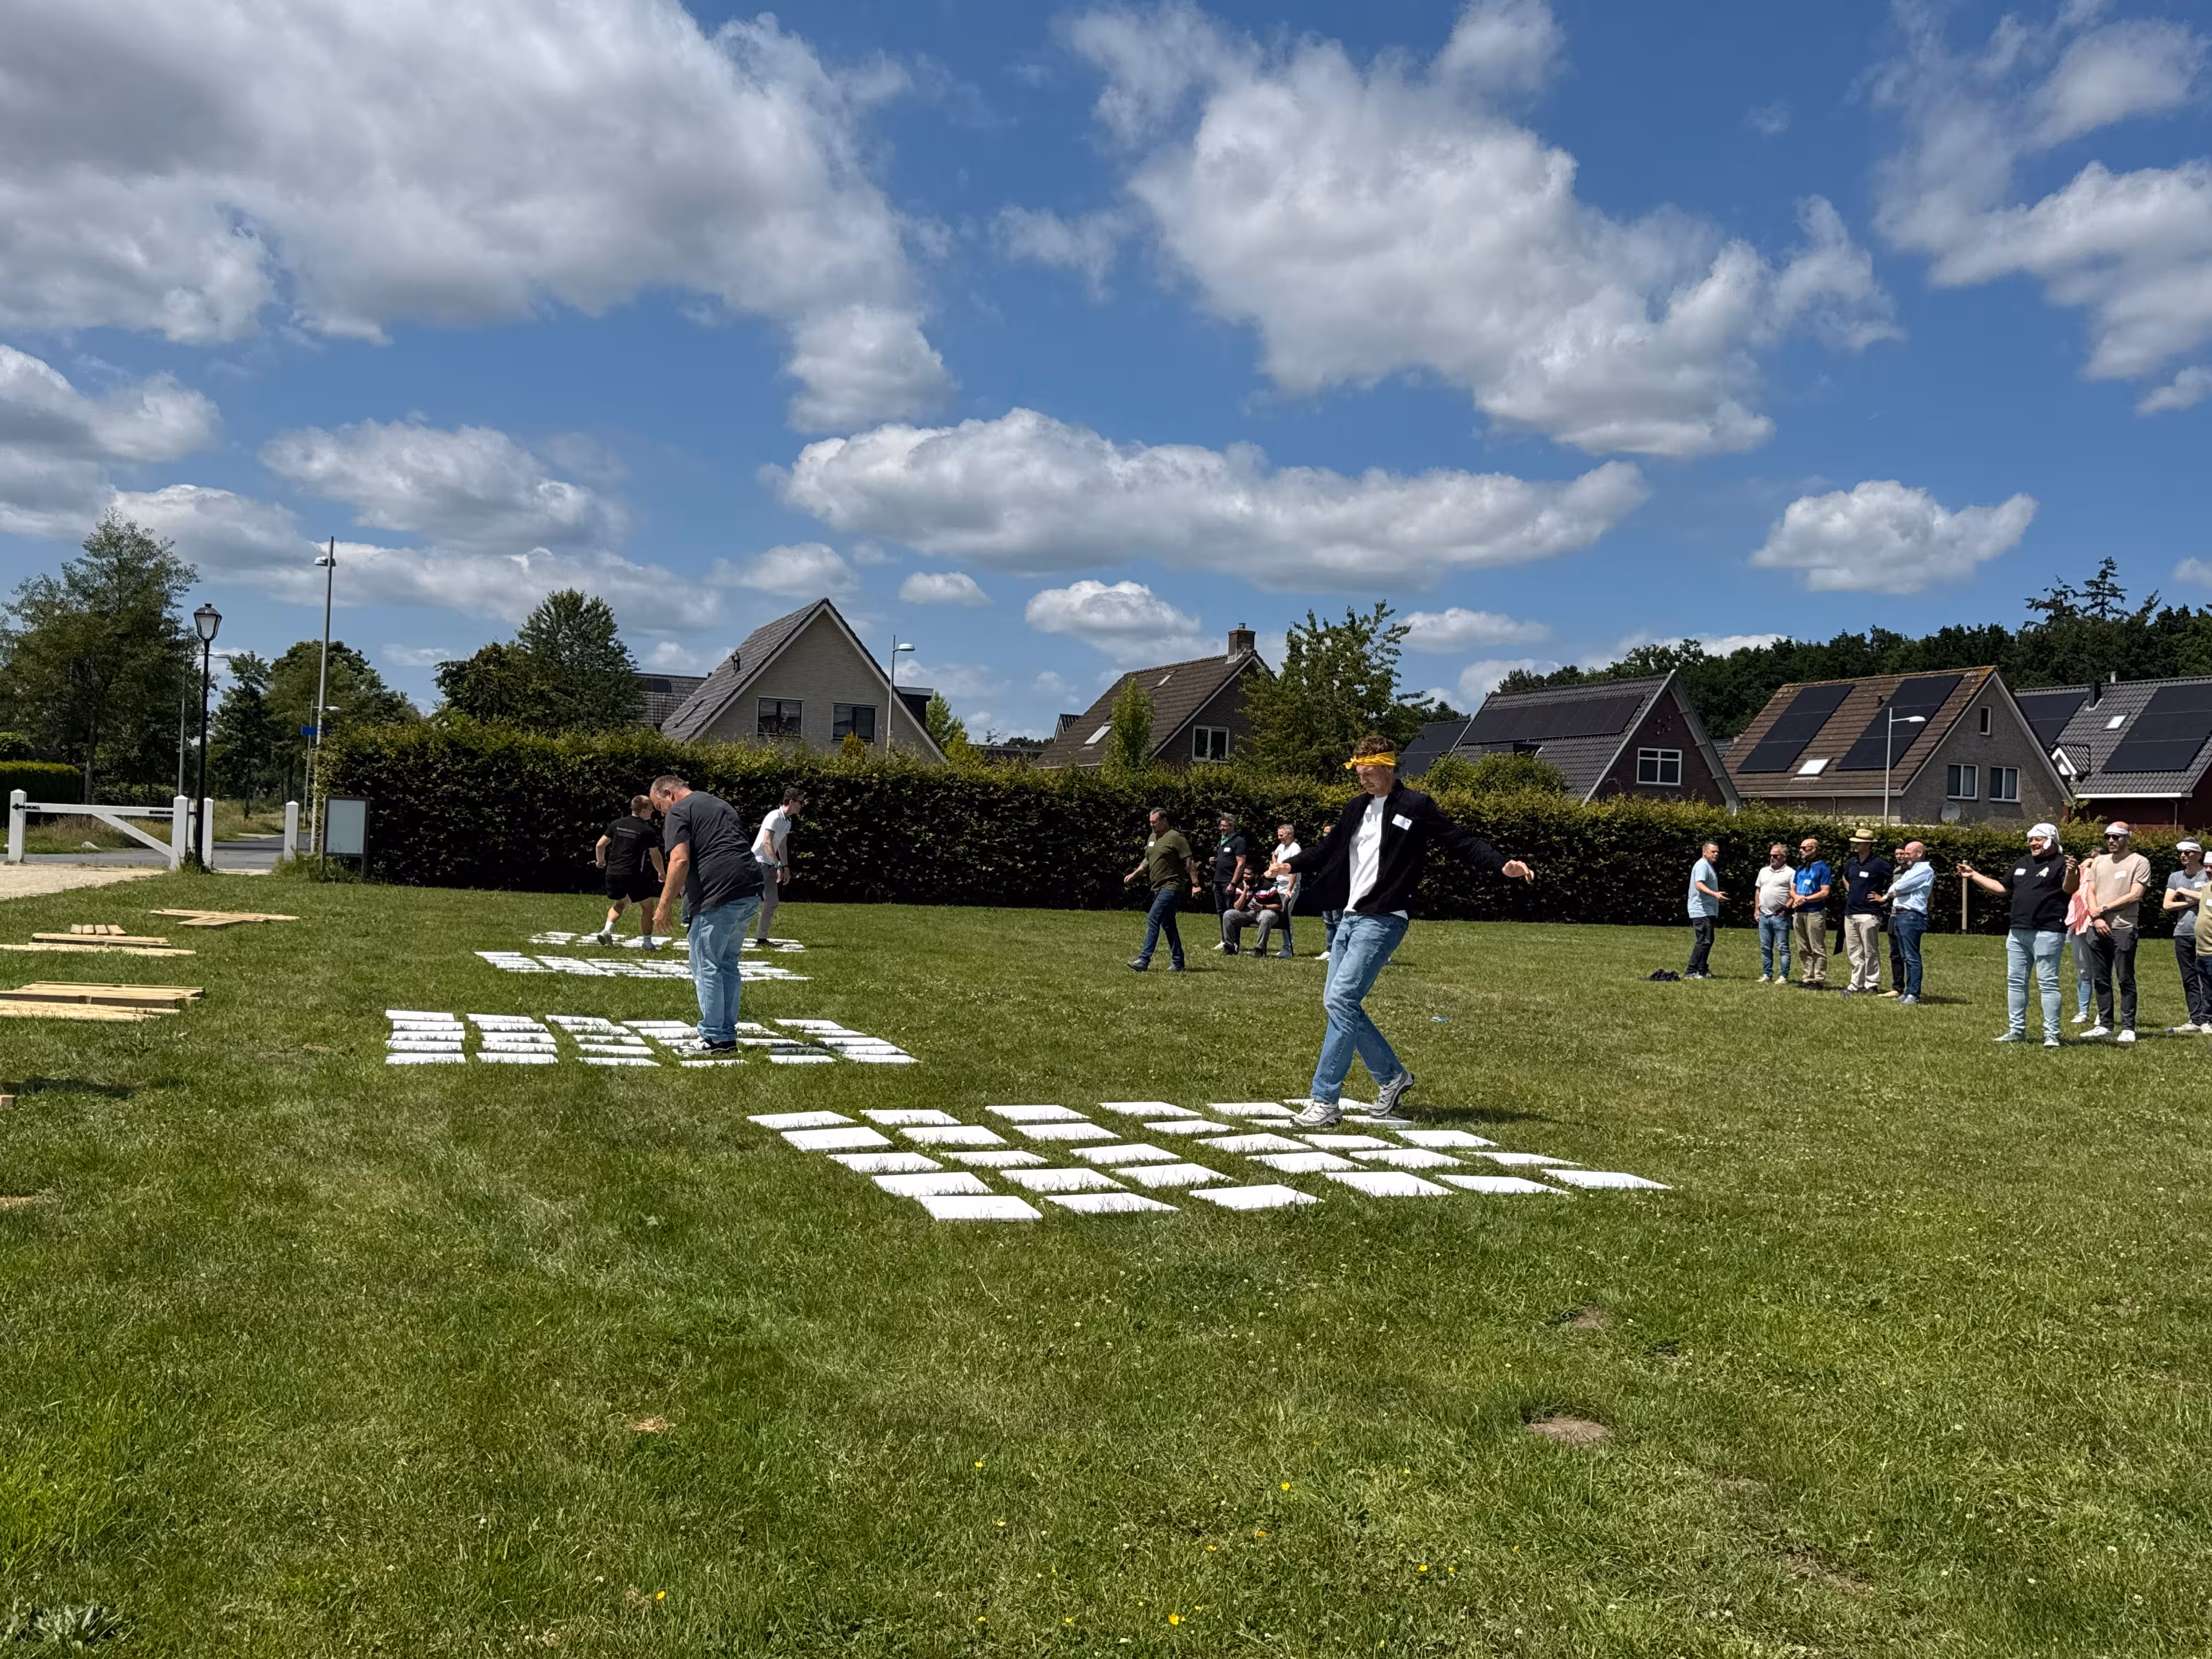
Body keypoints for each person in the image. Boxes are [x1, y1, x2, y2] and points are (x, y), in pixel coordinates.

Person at [1271, 732, 1533, 1127]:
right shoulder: (1355, 808)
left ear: (1389, 767)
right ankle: (1393, 1078)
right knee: (1338, 1004)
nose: (1363, 779)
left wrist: (1500, 865)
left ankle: (1325, 1101)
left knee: (1341, 1001)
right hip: (1350, 916)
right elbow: (1326, 851)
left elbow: (1461, 841)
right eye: (1358, 771)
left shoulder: (1416, 806)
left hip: (1385, 918)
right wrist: (1290, 866)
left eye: (1370, 771)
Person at [650, 774, 765, 1056]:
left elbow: (679, 859)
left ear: (669, 795)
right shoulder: (719, 804)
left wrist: (664, 905)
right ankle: (725, 1036)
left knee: (706, 965)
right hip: (749, 887)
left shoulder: (678, 811)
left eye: (659, 807)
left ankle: (713, 1037)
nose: (661, 814)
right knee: (727, 964)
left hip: (717, 894)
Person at [1959, 823, 2079, 1048]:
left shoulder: (2063, 864)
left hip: (2048, 931)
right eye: (2031, 839)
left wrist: (2073, 872)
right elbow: (2003, 889)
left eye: (2039, 839)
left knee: (2048, 984)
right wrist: (1974, 875)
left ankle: (2051, 1035)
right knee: (2015, 982)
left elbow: (2070, 889)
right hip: (2017, 931)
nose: (2033, 843)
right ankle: (2017, 1030)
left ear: (2052, 840)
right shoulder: (2022, 863)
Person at [2080, 821, 2151, 1042]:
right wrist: (2097, 916)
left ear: (2127, 838)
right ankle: (2105, 1024)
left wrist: (2103, 909)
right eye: (2108, 837)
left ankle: (2128, 1027)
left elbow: (2135, 895)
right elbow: (2090, 891)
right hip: (2096, 926)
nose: (2111, 840)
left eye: (2117, 837)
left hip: (2123, 928)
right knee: (2100, 978)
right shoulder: (2099, 862)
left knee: (2125, 978)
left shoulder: (2139, 862)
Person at [1123, 808, 1202, 972]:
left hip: (1172, 887)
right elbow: (1147, 860)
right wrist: (1134, 874)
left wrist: (1196, 885)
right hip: (1157, 888)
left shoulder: (1176, 838)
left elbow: (1189, 863)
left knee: (1153, 917)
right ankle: (1179, 962)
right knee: (1168, 924)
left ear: (1165, 821)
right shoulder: (1152, 837)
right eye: (1151, 823)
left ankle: (1144, 960)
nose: (1152, 826)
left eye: (1155, 823)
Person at [592, 794, 666, 945]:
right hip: (632, 874)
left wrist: (601, 861)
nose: (653, 812)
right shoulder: (647, 830)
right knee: (648, 905)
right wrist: (661, 872)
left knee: (621, 903)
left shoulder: (616, 824)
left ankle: (607, 930)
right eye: (651, 809)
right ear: (644, 810)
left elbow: (600, 845)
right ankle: (647, 943)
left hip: (613, 872)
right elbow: (655, 855)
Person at [2163, 839, 2210, 1034]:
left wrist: (2184, 894)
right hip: (2182, 932)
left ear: (2199, 855)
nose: (2184, 855)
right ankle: (2196, 1018)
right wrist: (2192, 900)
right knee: (2189, 978)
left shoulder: (2207, 874)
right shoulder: (2175, 877)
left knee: (2207, 978)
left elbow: (2207, 897)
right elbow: (2167, 905)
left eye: (2189, 852)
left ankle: (2208, 1018)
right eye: (2181, 852)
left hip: (2205, 935)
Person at [750, 786, 806, 946]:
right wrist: (778, 865)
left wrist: (786, 867)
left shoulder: (787, 821)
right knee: (748, 902)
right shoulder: (774, 817)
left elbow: (782, 845)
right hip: (758, 864)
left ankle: (761, 939)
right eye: (801, 802)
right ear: (792, 802)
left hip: (769, 864)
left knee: (772, 902)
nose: (802, 806)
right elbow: (767, 843)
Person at [1838, 830, 1891, 996]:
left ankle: (1872, 984)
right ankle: (1856, 984)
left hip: (1870, 913)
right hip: (1851, 912)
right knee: (1854, 951)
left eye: (1859, 842)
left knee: (1870, 950)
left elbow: (1897, 880)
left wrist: (1884, 897)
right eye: (1854, 842)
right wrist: (1850, 889)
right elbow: (1845, 877)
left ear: (1868, 845)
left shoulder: (1879, 864)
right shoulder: (1852, 862)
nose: (1855, 845)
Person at [1885, 840, 1934, 1005]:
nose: (1905, 857)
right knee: (1905, 956)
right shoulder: (1912, 870)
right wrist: (1894, 889)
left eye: (1908, 853)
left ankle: (1914, 994)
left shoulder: (1925, 870)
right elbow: (1897, 886)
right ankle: (1908, 991)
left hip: (1911, 916)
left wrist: (1894, 890)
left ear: (1919, 853)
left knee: (1912, 957)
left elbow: (1900, 887)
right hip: (1901, 915)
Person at [1788, 837, 1832, 988]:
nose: (1801, 851)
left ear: (1813, 849)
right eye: (1801, 848)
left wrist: (1806, 899)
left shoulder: (1823, 868)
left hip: (1815, 912)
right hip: (1799, 912)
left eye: (1805, 848)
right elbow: (1792, 889)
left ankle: (1818, 978)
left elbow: (1825, 892)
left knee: (1816, 946)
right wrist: (1796, 897)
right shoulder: (1800, 869)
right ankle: (1808, 976)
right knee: (1803, 947)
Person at [1752, 843, 1795, 984]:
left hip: (1780, 916)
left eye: (1776, 856)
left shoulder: (1791, 873)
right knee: (1765, 947)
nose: (1772, 858)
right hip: (1764, 915)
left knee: (1782, 946)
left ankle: (1783, 976)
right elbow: (1758, 891)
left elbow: (1795, 893)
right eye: (1771, 855)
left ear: (1784, 857)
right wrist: (1757, 909)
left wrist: (1786, 909)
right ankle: (1767, 974)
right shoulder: (1764, 871)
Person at [1209, 812, 1250, 947]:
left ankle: (1234, 941)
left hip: (1229, 882)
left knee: (1232, 913)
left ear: (1232, 826)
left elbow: (1241, 863)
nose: (1221, 829)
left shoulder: (1239, 841)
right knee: (1221, 912)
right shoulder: (1223, 840)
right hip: (1218, 881)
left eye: (1224, 826)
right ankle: (1224, 939)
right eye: (1221, 826)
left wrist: (1233, 883)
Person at [1685, 841, 1724, 978]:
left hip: (1708, 910)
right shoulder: (1702, 865)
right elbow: (1699, 885)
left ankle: (1702, 970)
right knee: (1703, 941)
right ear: (1704, 852)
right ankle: (1691, 972)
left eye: (1717, 852)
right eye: (1713, 851)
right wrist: (1715, 894)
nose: (1716, 854)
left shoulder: (1708, 866)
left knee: (1708, 940)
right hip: (1701, 910)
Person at [1268, 823, 1302, 958]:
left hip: (1290, 886)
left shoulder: (1295, 849)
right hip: (1279, 884)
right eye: (1278, 835)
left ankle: (1288, 948)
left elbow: (1294, 871)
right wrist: (1275, 865)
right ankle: (1285, 947)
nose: (1279, 838)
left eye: (1282, 835)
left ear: (1290, 835)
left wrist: (1290, 889)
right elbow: (1274, 854)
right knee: (1281, 915)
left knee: (1286, 915)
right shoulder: (1281, 847)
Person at [1883, 842, 1908, 996]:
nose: (1899, 856)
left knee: (1908, 954)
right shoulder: (1896, 871)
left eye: (1902, 853)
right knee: (1895, 953)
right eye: (1897, 854)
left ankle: (1911, 989)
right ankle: (1897, 987)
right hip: (1894, 914)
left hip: (1908, 915)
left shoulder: (1916, 872)